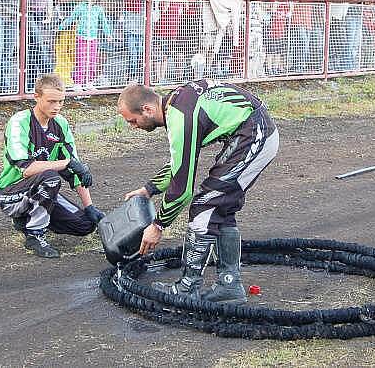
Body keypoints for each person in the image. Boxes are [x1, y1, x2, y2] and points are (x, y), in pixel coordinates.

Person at [119, 80, 279, 303]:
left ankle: (187, 288)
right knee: (219, 206)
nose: (133, 127)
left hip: (255, 135)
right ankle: (229, 285)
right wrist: (149, 189)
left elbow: (182, 188)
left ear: (147, 109)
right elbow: (181, 162)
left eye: (133, 121)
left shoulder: (180, 115)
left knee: (206, 204)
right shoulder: (178, 103)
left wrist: (158, 225)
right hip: (250, 132)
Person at [0, 73, 105, 258]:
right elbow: (26, 169)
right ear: (36, 97)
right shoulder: (19, 122)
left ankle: (26, 219)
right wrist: (68, 163)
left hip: (41, 189)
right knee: (50, 177)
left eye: (61, 101)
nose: (57, 107)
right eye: (51, 101)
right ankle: (34, 236)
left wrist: (89, 207)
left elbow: (74, 169)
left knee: (85, 225)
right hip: (11, 194)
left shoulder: (61, 124)